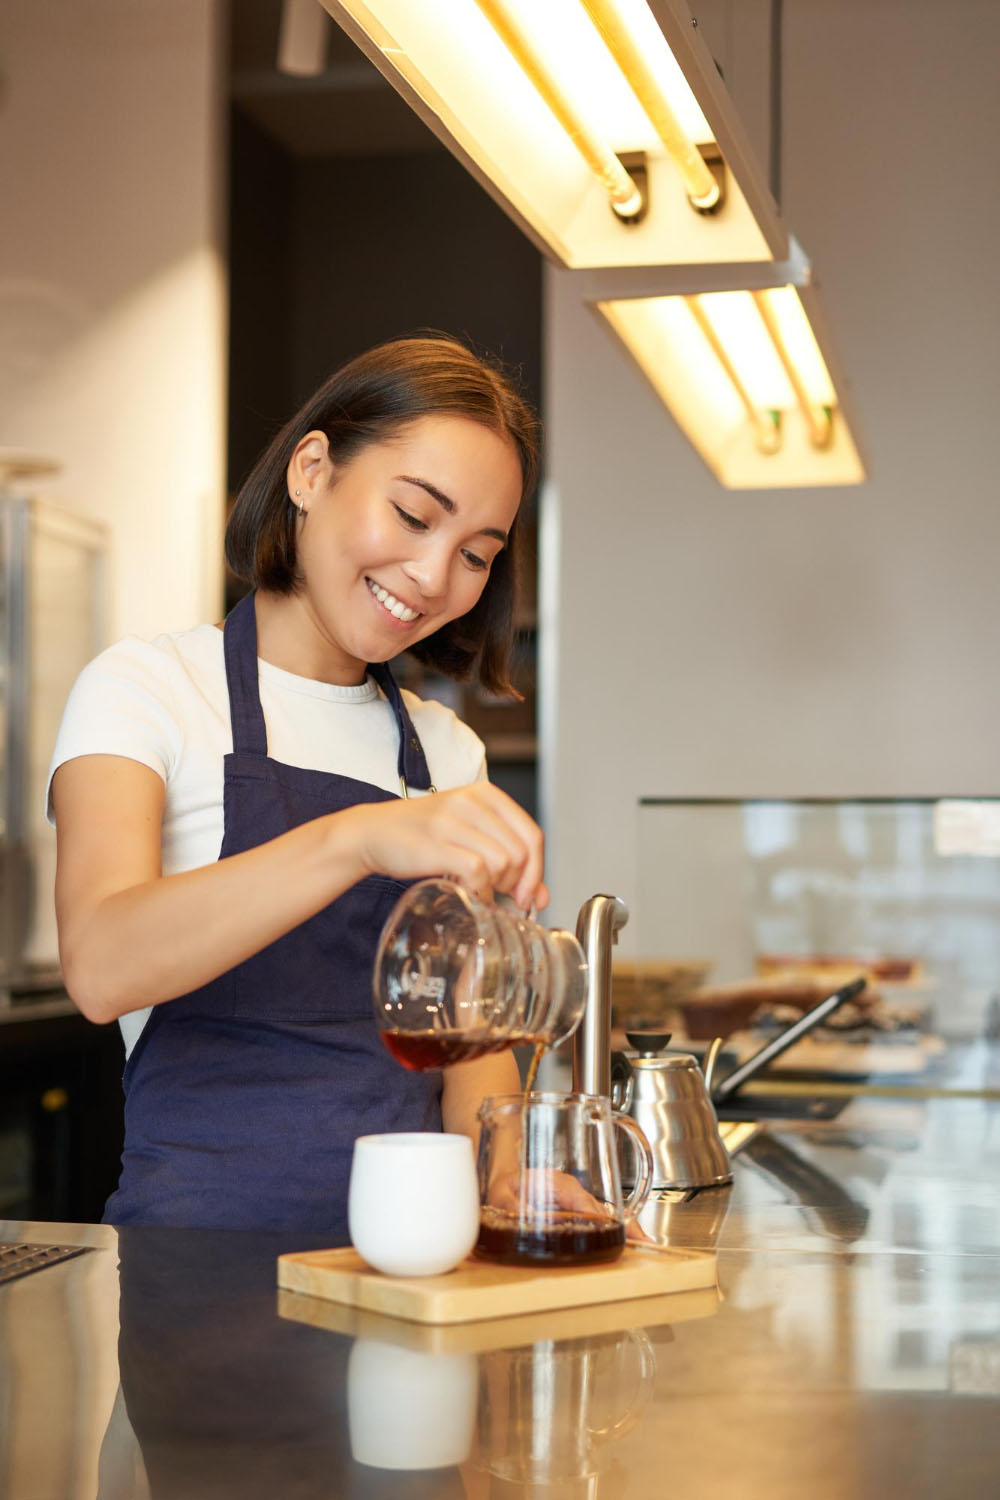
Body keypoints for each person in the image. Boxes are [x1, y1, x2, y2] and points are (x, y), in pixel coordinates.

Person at [48, 334, 546, 1236]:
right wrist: (355, 838)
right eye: (413, 515)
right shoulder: (148, 691)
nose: (434, 578)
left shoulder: (446, 755)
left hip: (408, 1272)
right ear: (312, 470)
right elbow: (100, 964)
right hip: (198, 1285)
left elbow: (470, 1048)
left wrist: (508, 1178)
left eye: (477, 555)